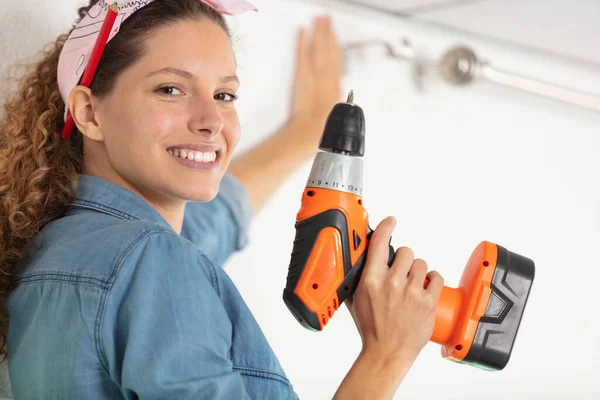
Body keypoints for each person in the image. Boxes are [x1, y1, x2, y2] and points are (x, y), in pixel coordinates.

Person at [0, 0, 444, 399]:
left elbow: (214, 221)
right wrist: (388, 354)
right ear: (89, 112)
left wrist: (306, 131)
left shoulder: (56, 246)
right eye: (171, 89)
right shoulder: (152, 260)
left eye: (224, 95)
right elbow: (164, 258)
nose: (212, 120)